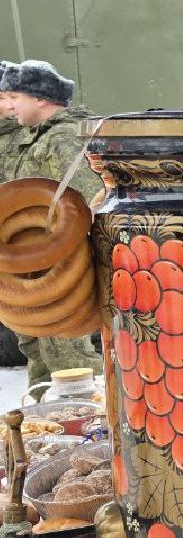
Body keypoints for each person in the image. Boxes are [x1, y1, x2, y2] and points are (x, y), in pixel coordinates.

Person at [0, 60, 103, 388]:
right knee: (35, 345)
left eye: (15, 97)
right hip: (32, 261)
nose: (10, 106)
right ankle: (46, 406)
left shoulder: (62, 138)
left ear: (40, 98)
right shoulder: (35, 137)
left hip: (60, 263)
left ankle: (85, 407)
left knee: (66, 352)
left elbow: (89, 199)